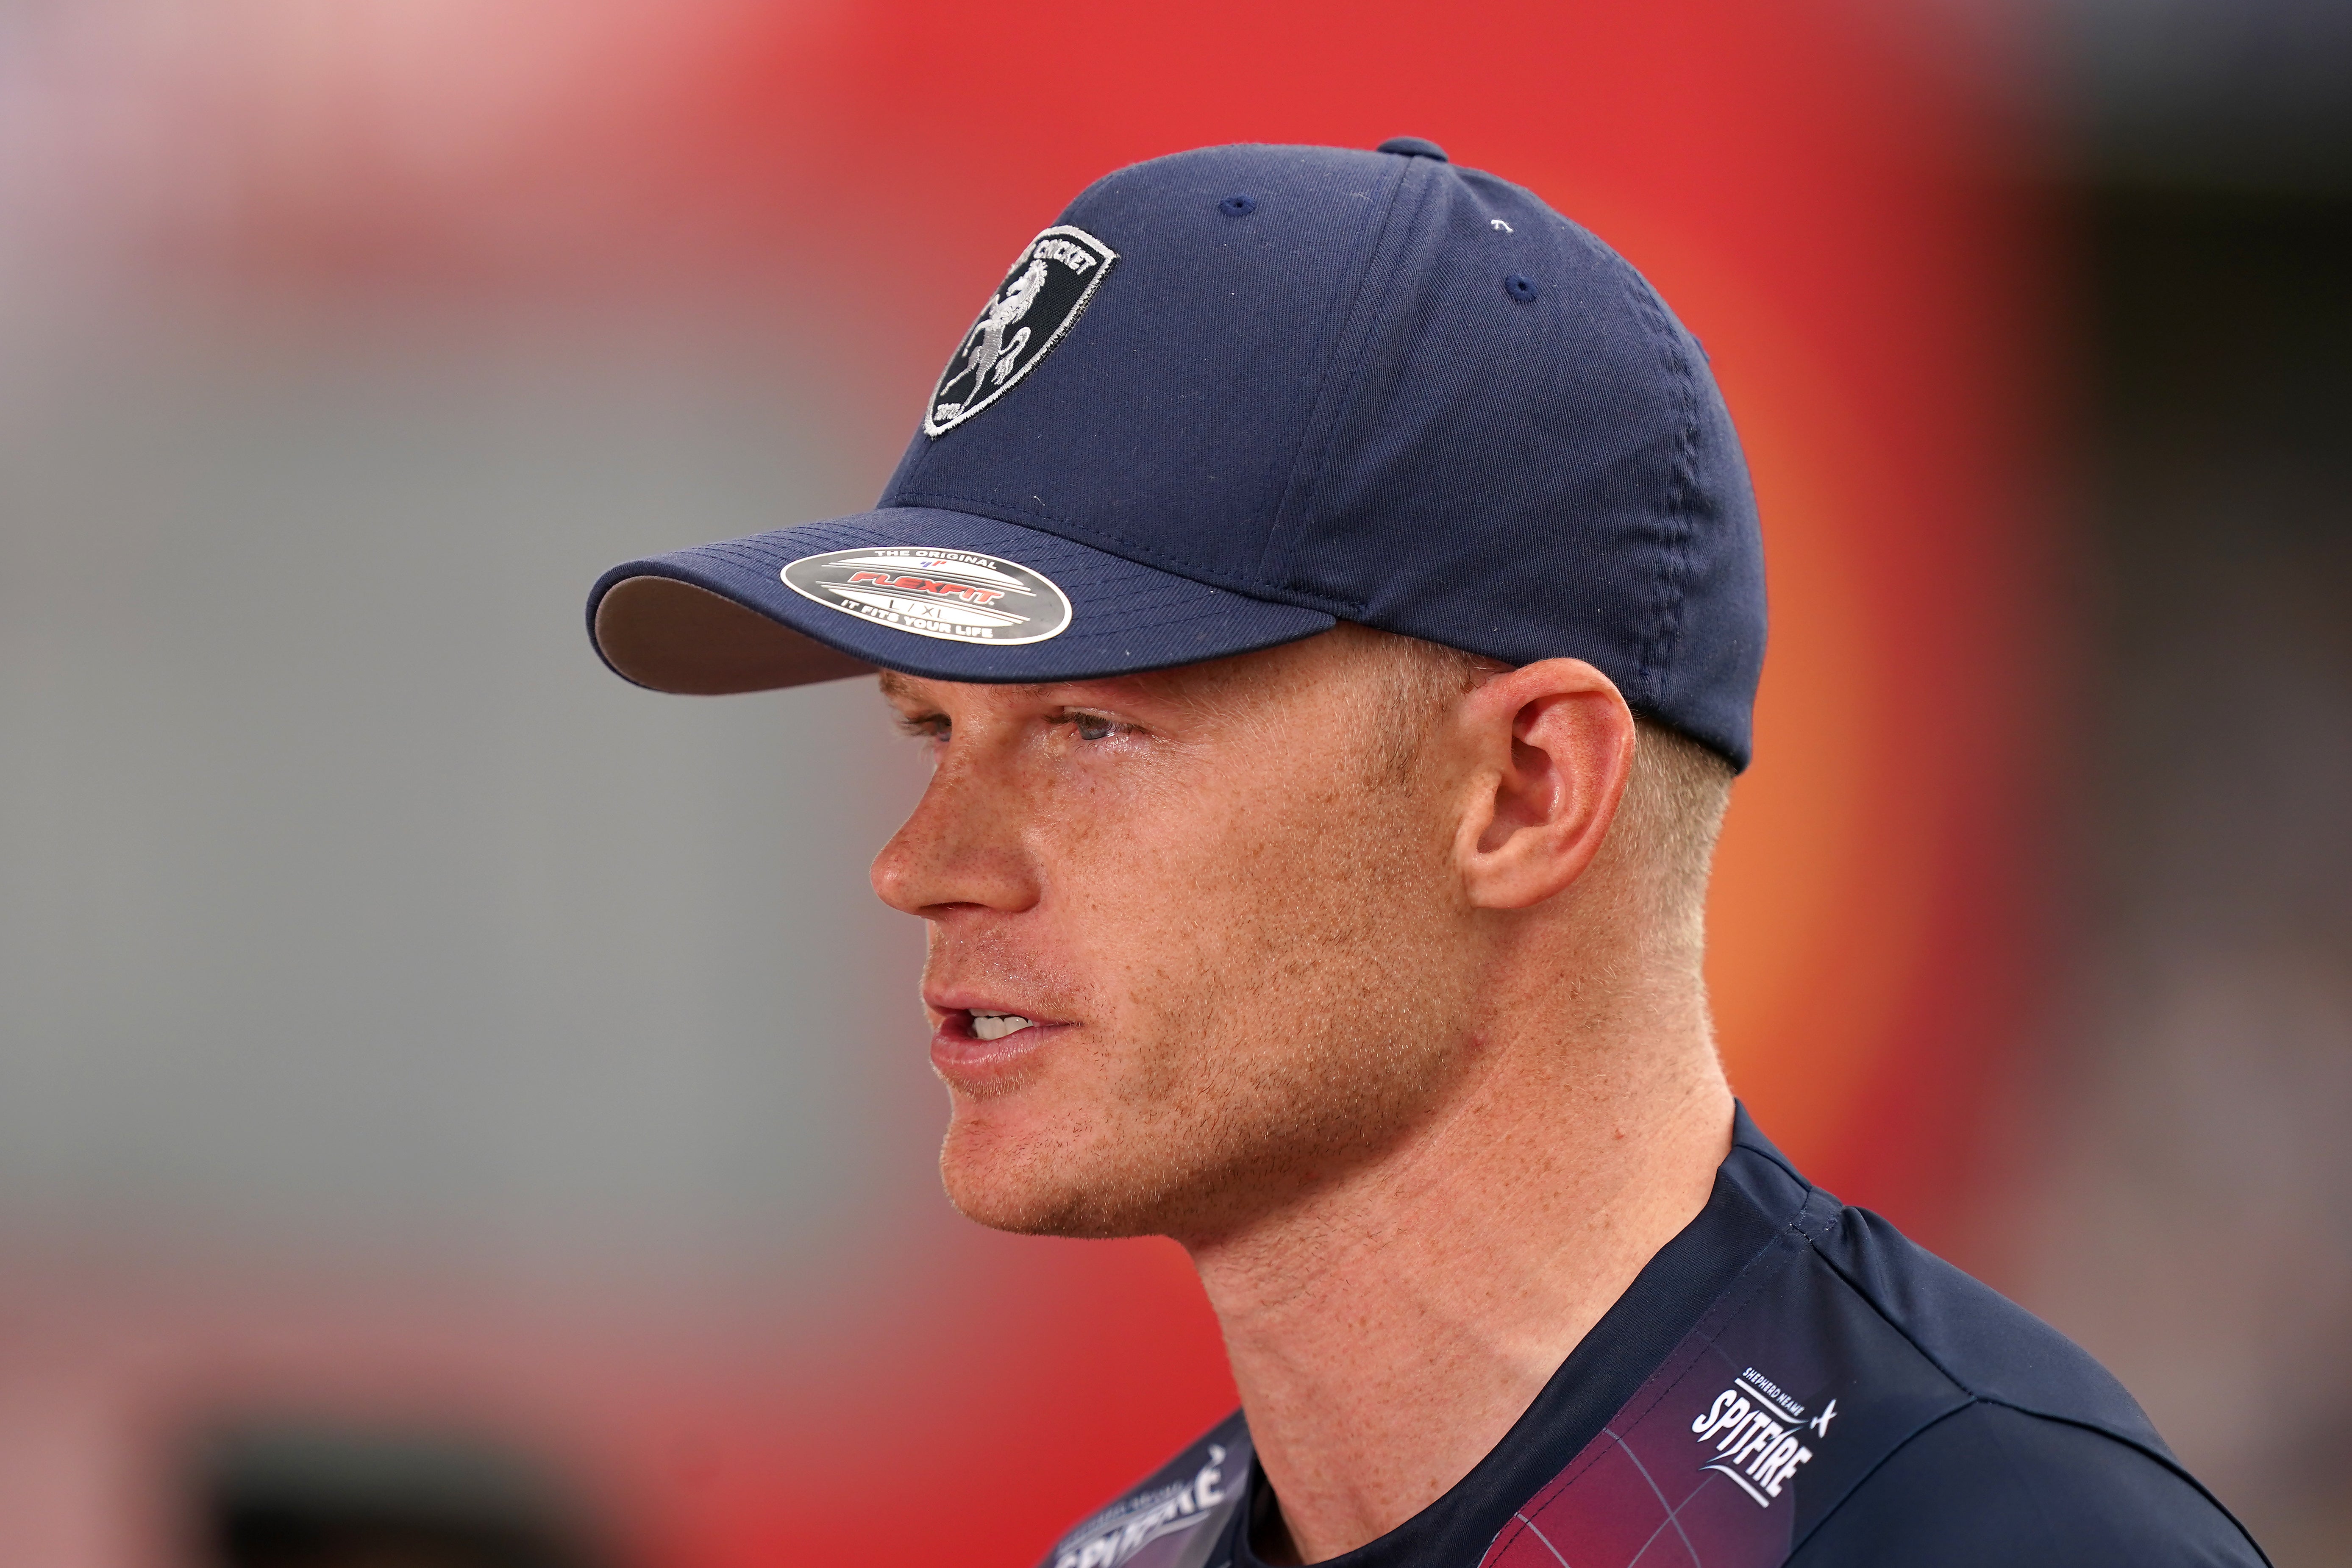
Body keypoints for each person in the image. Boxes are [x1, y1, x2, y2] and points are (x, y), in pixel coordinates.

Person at [584, 139, 2266, 1568]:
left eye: (1087, 729)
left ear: (1526, 789)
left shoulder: (1996, 1532)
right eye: (928, 732)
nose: (921, 863)